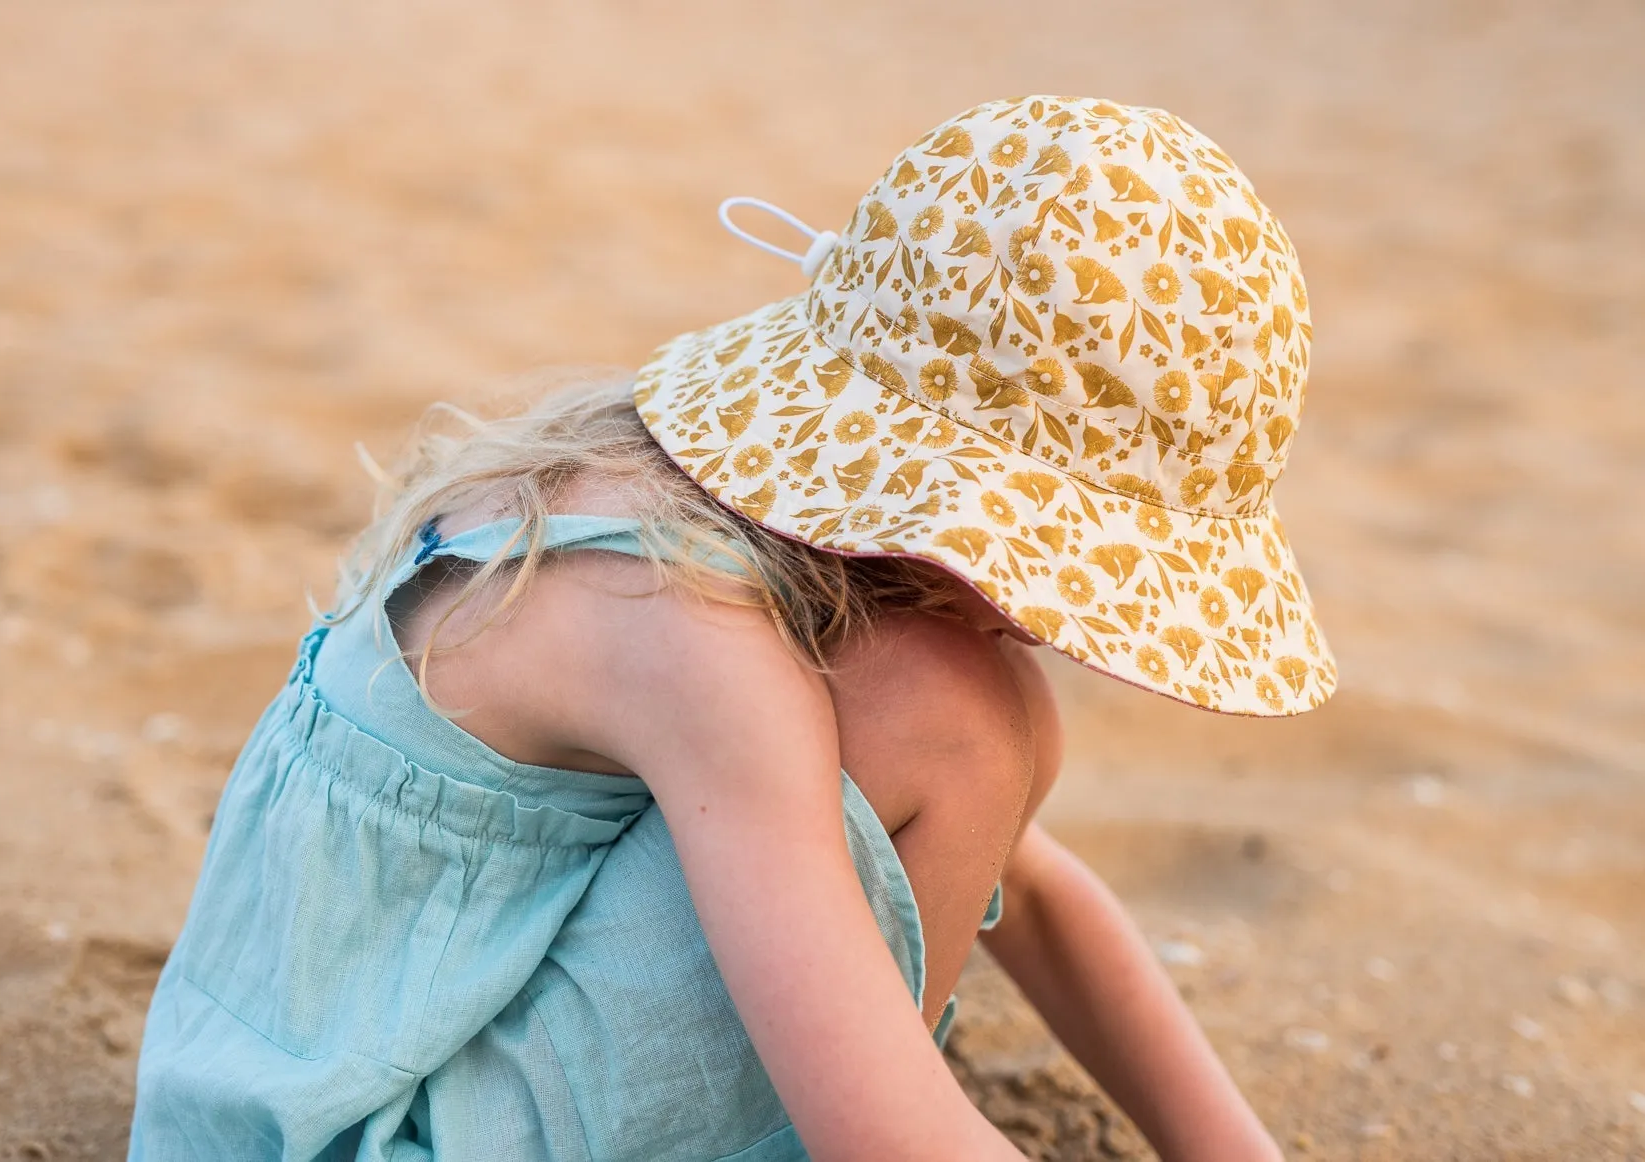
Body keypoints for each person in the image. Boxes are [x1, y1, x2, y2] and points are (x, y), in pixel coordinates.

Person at [131, 95, 1336, 1162]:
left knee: (979, 724)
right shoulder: (689, 629)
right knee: (963, 722)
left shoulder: (641, 488)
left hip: (292, 1085)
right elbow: (892, 1137)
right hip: (368, 1135)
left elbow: (1032, 894)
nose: (1053, 624)